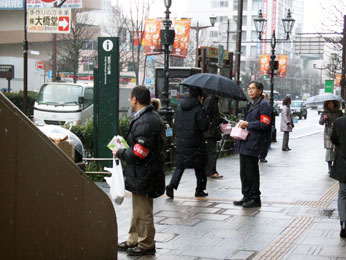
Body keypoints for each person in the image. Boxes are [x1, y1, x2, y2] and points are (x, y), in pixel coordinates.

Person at [112, 86, 165, 256]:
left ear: (135, 99)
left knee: (143, 211)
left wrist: (120, 152)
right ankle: (134, 239)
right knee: (138, 209)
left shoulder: (146, 121)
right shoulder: (148, 117)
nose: (130, 101)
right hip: (143, 172)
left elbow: (140, 151)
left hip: (145, 173)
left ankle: (146, 243)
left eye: (130, 98)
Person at [233, 81, 272, 208]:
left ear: (260, 91)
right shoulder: (251, 104)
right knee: (243, 171)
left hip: (254, 143)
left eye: (253, 89)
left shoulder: (264, 105)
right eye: (248, 88)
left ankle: (255, 198)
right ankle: (246, 195)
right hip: (245, 142)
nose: (250, 91)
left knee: (251, 171)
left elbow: (265, 124)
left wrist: (248, 124)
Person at [166, 87, 209, 199]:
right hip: (196, 142)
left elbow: (176, 124)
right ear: (199, 97)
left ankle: (172, 185)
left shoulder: (181, 107)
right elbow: (203, 126)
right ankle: (200, 189)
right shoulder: (199, 108)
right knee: (200, 167)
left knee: (180, 166)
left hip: (181, 141)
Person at [203, 93, 227, 178]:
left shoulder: (212, 100)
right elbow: (209, 115)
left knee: (211, 151)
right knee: (211, 152)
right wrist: (218, 120)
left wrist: (220, 119)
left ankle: (209, 170)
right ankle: (211, 171)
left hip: (210, 130)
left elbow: (213, 115)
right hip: (210, 131)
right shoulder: (211, 100)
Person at [330, 115, 346, 238]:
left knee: (342, 193)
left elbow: (334, 139)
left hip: (343, 162)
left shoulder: (339, 122)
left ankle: (344, 223)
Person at [319, 100, 343, 173]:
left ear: (335, 104)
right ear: (327, 104)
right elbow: (320, 122)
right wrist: (324, 118)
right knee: (329, 150)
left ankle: (336, 165)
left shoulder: (339, 112)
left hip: (337, 132)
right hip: (328, 133)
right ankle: (329, 166)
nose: (330, 104)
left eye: (332, 103)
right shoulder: (324, 112)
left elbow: (343, 121)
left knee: (337, 149)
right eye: (329, 103)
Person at [259, 92, 272, 163]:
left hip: (266, 127)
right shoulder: (257, 104)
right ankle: (260, 156)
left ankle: (262, 156)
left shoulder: (267, 105)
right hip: (260, 127)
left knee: (265, 143)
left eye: (264, 96)